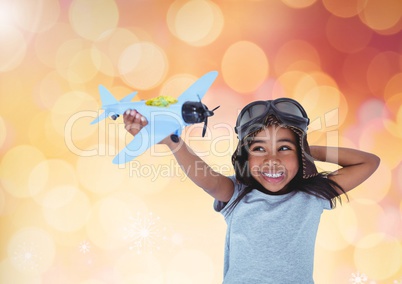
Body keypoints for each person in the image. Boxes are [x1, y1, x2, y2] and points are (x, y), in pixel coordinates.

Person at [122, 97, 380, 283]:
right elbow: (206, 179)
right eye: (258, 149)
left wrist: (307, 150)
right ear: (245, 157)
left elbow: (369, 162)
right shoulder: (237, 194)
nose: (272, 160)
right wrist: (170, 141)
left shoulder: (311, 196)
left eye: (284, 148)